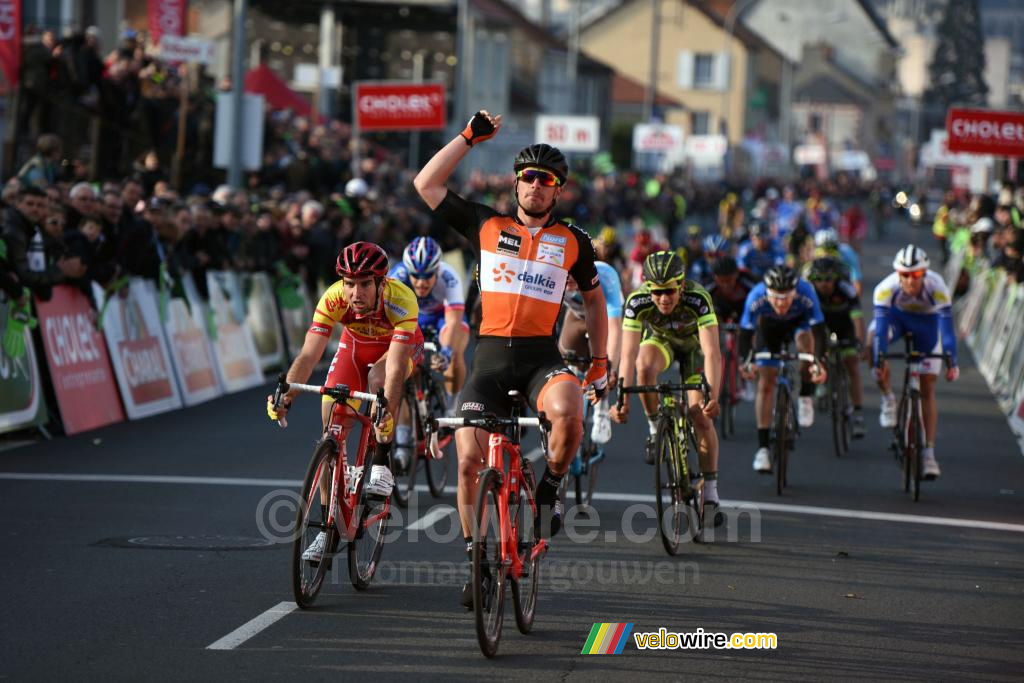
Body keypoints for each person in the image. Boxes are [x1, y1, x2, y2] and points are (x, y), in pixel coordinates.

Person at [413, 110, 608, 608]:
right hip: (491, 360)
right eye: (528, 178)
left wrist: (602, 360)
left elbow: (593, 301)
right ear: (516, 184)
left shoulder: (573, 241)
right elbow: (426, 183)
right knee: (468, 464)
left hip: (543, 357)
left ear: (558, 191)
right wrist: (468, 138)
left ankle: (550, 489)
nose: (537, 187)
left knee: (569, 415)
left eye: (548, 181)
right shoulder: (485, 223)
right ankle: (476, 558)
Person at [266, 242, 422, 560]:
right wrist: (288, 394)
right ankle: (329, 529)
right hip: (356, 346)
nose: (355, 293)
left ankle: (381, 458)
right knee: (331, 427)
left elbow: (393, 371)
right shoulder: (334, 297)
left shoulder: (402, 299)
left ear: (382, 282)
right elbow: (309, 354)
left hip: (396, 349)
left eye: (365, 284)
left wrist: (386, 412)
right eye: (350, 284)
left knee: (379, 383)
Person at [609, 251, 724, 520]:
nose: (663, 298)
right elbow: (627, 354)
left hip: (694, 349)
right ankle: (654, 427)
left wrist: (713, 396)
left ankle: (711, 490)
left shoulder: (698, 298)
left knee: (700, 415)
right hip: (662, 342)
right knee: (644, 367)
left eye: (669, 291)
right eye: (657, 291)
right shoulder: (637, 301)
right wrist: (622, 400)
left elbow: (712, 353)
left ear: (681, 285)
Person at [870, 245, 958, 479]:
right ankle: (888, 397)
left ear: (925, 273)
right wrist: (879, 359)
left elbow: (947, 330)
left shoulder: (937, 287)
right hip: (896, 321)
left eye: (916, 275)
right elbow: (880, 331)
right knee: (872, 344)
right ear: (898, 274)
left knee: (928, 388)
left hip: (926, 327)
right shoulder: (884, 289)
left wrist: (952, 360)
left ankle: (928, 453)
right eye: (905, 275)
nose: (910, 280)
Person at [739, 265, 828, 473]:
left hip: (799, 326)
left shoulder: (807, 292)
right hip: (769, 329)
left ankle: (805, 395)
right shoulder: (756, 296)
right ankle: (762, 449)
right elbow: (745, 333)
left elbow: (819, 331)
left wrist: (819, 361)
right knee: (766, 382)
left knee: (806, 347)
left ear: (795, 293)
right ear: (767, 293)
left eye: (786, 298)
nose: (781, 303)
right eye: (776, 298)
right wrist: (747, 361)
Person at [389, 236, 469, 399]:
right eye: (416, 276)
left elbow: (453, 322)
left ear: (437, 271)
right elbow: (388, 319)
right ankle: (404, 424)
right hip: (412, 317)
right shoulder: (397, 277)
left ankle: (452, 407)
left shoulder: (449, 277)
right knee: (396, 364)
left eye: (427, 276)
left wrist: (446, 352)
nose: (420, 283)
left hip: (442, 317)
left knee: (455, 350)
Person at [559, 255, 624, 444]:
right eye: (565, 272)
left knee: (603, 362)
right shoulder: (552, 276)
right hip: (577, 315)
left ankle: (601, 410)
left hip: (604, 316)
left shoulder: (605, 277)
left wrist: (609, 366)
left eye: (574, 273)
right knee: (564, 356)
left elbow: (614, 329)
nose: (569, 278)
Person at [804, 256, 866, 438]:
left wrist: (859, 342)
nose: (823, 283)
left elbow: (857, 318)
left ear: (836, 278)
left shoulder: (846, 290)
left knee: (852, 364)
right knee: (814, 347)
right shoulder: (809, 292)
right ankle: (821, 379)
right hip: (821, 326)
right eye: (819, 279)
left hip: (844, 325)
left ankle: (858, 414)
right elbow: (805, 324)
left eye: (828, 279)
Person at [813, 228, 862, 295]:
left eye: (832, 249)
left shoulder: (847, 253)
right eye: (823, 249)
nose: (827, 253)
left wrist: (856, 296)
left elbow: (855, 277)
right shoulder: (812, 255)